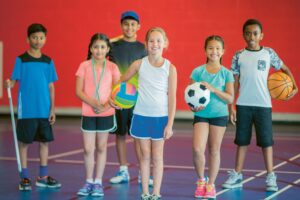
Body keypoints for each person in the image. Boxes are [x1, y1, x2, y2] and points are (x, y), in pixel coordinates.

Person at [222, 19, 298, 192]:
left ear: (261, 35)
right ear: (243, 35)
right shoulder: (238, 55)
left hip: (263, 105)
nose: (251, 37)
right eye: (248, 33)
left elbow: (285, 69)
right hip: (243, 105)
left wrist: (294, 85)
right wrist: (231, 106)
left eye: (255, 33)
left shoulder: (269, 53)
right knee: (241, 142)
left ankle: (271, 176)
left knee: (266, 143)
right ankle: (238, 174)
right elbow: (234, 83)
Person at [118, 27, 177, 200]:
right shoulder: (138, 64)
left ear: (165, 43)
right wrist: (117, 99)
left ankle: (156, 193)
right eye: (151, 41)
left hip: (160, 118)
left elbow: (172, 98)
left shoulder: (170, 68)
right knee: (144, 156)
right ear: (146, 44)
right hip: (141, 116)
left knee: (157, 157)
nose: (155, 44)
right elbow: (121, 82)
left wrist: (170, 124)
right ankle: (145, 192)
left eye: (159, 40)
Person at [5, 23, 61, 190]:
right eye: (34, 37)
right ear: (28, 39)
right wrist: (8, 83)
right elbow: (13, 82)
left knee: (44, 143)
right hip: (27, 111)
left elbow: (51, 86)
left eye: (41, 37)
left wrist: (52, 109)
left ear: (45, 39)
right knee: (24, 144)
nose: (38, 40)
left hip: (44, 110)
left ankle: (42, 177)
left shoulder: (48, 61)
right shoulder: (21, 60)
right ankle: (25, 178)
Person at [108, 11, 151, 185]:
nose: (129, 27)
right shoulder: (113, 46)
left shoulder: (143, 48)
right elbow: (99, 44)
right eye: (126, 24)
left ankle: (143, 172)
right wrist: (115, 38)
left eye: (133, 24)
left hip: (137, 99)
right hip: (119, 98)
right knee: (120, 135)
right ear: (121, 26)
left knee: (138, 136)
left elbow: (147, 73)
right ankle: (123, 170)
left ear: (139, 27)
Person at [189, 36, 234, 199]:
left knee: (214, 150)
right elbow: (190, 97)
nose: (214, 51)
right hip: (201, 115)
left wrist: (214, 89)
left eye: (217, 48)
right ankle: (201, 180)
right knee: (197, 149)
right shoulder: (197, 72)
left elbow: (230, 98)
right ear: (205, 50)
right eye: (210, 48)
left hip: (219, 115)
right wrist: (193, 106)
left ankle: (211, 184)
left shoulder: (226, 73)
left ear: (222, 51)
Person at [75, 33, 120, 196]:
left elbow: (117, 91)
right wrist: (94, 103)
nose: (99, 50)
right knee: (88, 148)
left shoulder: (113, 67)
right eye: (96, 47)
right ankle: (88, 181)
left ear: (107, 49)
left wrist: (106, 105)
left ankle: (98, 182)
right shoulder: (84, 66)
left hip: (106, 113)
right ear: (91, 49)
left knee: (101, 147)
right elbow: (78, 91)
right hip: (88, 112)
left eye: (102, 47)